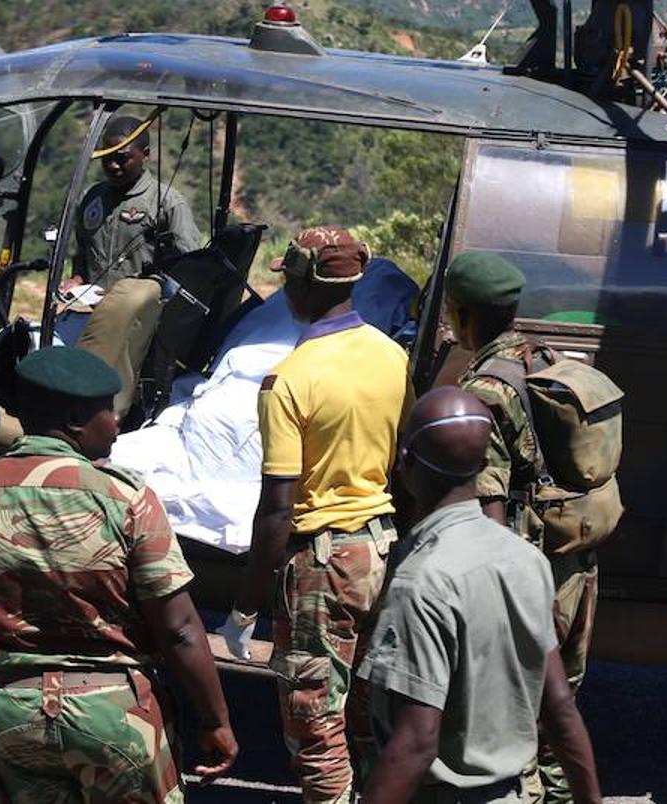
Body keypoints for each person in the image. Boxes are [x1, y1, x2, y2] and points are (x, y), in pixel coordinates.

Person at [0, 345, 237, 804]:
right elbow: (180, 630)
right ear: (74, 419)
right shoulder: (124, 499)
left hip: (10, 710)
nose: (116, 422)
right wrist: (216, 720)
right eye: (108, 410)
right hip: (113, 715)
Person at [223, 226, 413, 804]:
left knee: (314, 722)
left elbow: (278, 507)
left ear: (299, 287)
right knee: (366, 710)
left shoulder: (290, 379)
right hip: (381, 551)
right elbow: (401, 463)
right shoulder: (392, 355)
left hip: (321, 566)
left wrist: (246, 605)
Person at [359, 387, 603, 804]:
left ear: (405, 463)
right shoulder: (525, 560)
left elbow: (416, 743)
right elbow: (559, 706)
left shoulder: (422, 581)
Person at [443, 251, 600, 804]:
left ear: (462, 314)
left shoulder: (486, 388)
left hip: (529, 571)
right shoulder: (543, 357)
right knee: (560, 712)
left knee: (517, 717)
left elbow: (486, 509)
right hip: (575, 559)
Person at [65, 114, 201, 291]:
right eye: (107, 158)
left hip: (143, 312)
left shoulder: (167, 202)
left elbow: (190, 265)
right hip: (91, 310)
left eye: (122, 158)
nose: (113, 165)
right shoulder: (91, 197)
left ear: (145, 155)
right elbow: (83, 252)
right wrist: (76, 280)